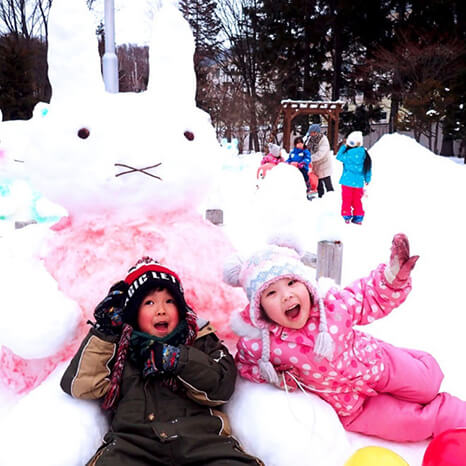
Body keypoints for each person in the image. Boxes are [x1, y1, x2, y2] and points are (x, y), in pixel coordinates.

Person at [224, 235, 466, 442]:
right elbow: (245, 365)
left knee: (426, 383)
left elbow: (369, 296)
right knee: (412, 424)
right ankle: (456, 416)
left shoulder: (333, 308)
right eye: (271, 293)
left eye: (291, 283)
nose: (286, 295)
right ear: (260, 308)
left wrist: (393, 276)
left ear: (306, 285)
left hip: (377, 363)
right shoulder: (260, 344)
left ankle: (421, 368)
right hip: (352, 407)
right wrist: (274, 376)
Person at [61, 257, 263, 466]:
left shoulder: (200, 340)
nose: (161, 310)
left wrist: (178, 359)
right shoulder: (118, 349)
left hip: (204, 445)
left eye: (169, 301)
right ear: (133, 313)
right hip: (132, 449)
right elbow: (81, 385)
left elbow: (220, 389)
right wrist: (106, 331)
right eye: (149, 302)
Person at [336, 131, 372, 224]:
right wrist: (367, 179)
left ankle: (346, 216)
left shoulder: (347, 154)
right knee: (357, 201)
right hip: (358, 183)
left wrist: (344, 145)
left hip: (347, 181)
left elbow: (338, 156)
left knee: (346, 200)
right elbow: (368, 168)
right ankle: (358, 217)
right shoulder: (365, 154)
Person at [304, 124, 334, 198]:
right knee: (318, 183)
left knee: (327, 183)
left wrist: (310, 158)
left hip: (324, 165)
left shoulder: (323, 140)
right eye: (310, 133)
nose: (311, 134)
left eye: (312, 132)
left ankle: (332, 198)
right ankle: (321, 197)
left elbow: (321, 153)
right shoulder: (310, 139)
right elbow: (307, 149)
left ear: (317, 132)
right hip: (316, 166)